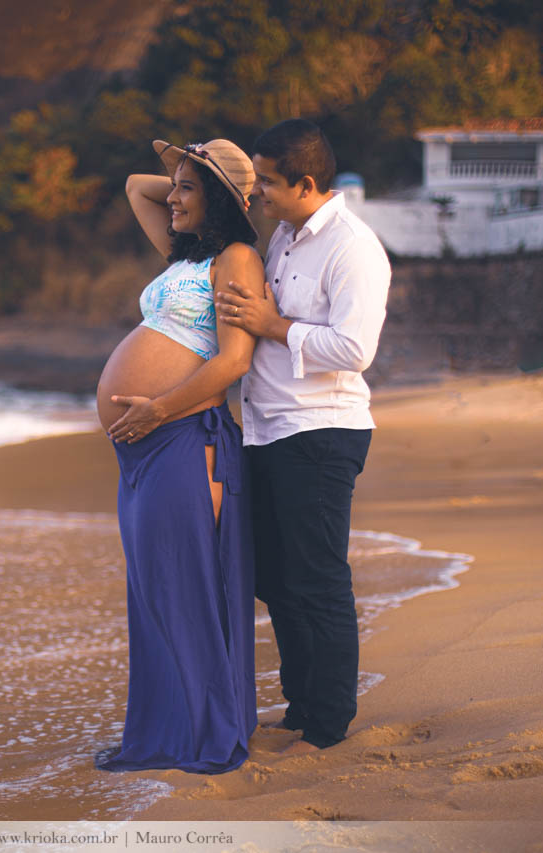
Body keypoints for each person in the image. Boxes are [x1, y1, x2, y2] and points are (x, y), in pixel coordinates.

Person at [215, 118, 391, 751]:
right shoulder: (284, 235)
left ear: (306, 183)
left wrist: (275, 324)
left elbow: (355, 347)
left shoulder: (353, 247)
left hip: (320, 431)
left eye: (267, 181)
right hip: (268, 430)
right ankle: (301, 703)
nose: (258, 191)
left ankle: (329, 722)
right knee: (277, 579)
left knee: (316, 580)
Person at [93, 138, 265, 773]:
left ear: (218, 200)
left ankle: (204, 734)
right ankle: (166, 732)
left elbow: (233, 360)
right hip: (140, 451)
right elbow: (138, 186)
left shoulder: (237, 257)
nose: (173, 199)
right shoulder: (183, 257)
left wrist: (158, 409)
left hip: (184, 438)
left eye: (188, 189)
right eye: (179, 186)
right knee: (153, 592)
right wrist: (193, 170)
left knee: (184, 587)